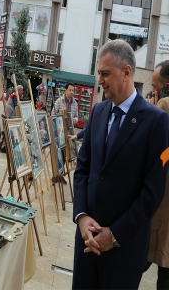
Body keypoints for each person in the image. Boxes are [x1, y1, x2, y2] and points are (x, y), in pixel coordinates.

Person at [72, 40, 169, 289]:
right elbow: (83, 168)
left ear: (126, 72)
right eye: (99, 74)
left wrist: (114, 236)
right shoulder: (99, 111)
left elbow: (153, 192)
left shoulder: (157, 121)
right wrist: (81, 216)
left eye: (105, 74)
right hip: (86, 244)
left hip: (124, 252)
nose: (100, 80)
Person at [147, 60, 169, 289]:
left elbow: (156, 154)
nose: (153, 90)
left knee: (136, 263)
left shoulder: (164, 105)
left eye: (156, 86)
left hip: (160, 207)